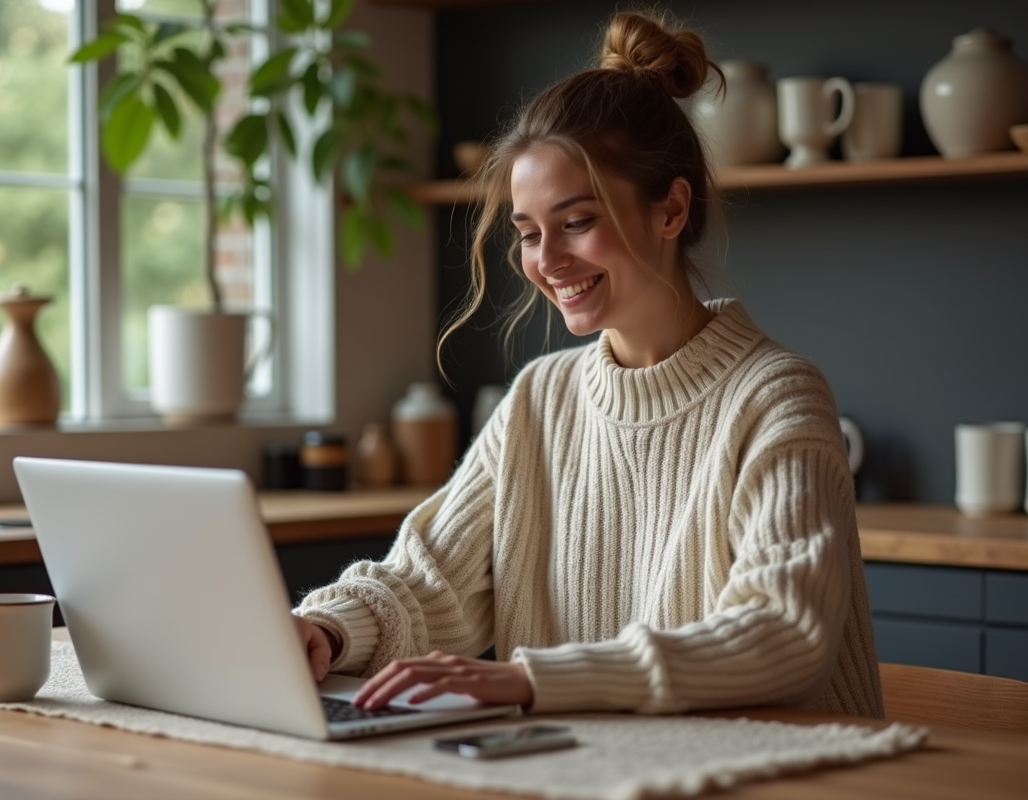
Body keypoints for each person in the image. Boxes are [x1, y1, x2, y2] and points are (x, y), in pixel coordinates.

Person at [292, 9, 883, 719]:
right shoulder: (542, 397)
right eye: (529, 232)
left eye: (577, 223)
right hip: (584, 770)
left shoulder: (776, 397)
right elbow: (429, 580)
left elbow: (783, 636)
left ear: (670, 211)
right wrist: (327, 627)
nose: (546, 261)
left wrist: (538, 681)